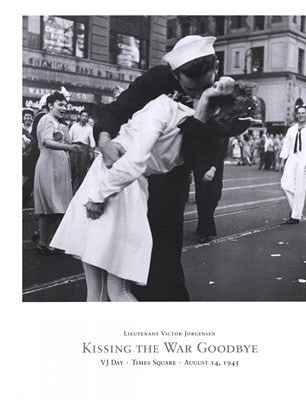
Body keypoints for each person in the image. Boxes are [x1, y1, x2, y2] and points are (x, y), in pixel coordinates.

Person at [51, 78, 256, 301]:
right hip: (128, 190)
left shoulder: (168, 109)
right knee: (110, 290)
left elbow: (133, 160)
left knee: (108, 292)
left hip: (113, 183)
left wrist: (98, 195)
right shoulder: (196, 132)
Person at [90, 35, 253, 301]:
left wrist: (218, 107)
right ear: (176, 76)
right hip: (131, 179)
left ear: (216, 67)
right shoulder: (156, 80)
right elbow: (119, 108)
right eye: (190, 90)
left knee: (163, 257)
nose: (198, 94)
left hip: (172, 177)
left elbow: (213, 140)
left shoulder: (222, 92)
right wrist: (104, 138)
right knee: (122, 255)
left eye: (205, 86)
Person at [33, 91, 82, 254]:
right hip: (49, 164)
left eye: (65, 105)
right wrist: (69, 147)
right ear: (50, 106)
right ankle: (43, 240)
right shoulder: (47, 119)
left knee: (56, 206)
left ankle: (44, 239)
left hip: (57, 166)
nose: (64, 108)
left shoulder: (56, 122)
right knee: (51, 205)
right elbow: (47, 141)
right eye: (60, 105)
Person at [279, 104, 306, 224]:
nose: (301, 115)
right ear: (296, 114)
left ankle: (295, 215)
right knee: (285, 184)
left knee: (300, 188)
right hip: (292, 158)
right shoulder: (292, 129)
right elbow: (286, 145)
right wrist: (281, 161)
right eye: (299, 113)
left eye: (303, 113)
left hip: (305, 160)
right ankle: (297, 208)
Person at [69, 110, 96, 192]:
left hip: (84, 148)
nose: (84, 118)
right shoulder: (74, 126)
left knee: (82, 170)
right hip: (74, 146)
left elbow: (92, 141)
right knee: (72, 168)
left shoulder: (90, 128)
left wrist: (91, 151)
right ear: (79, 116)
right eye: (83, 116)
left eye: (86, 116)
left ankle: (79, 191)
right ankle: (70, 189)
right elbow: (70, 137)